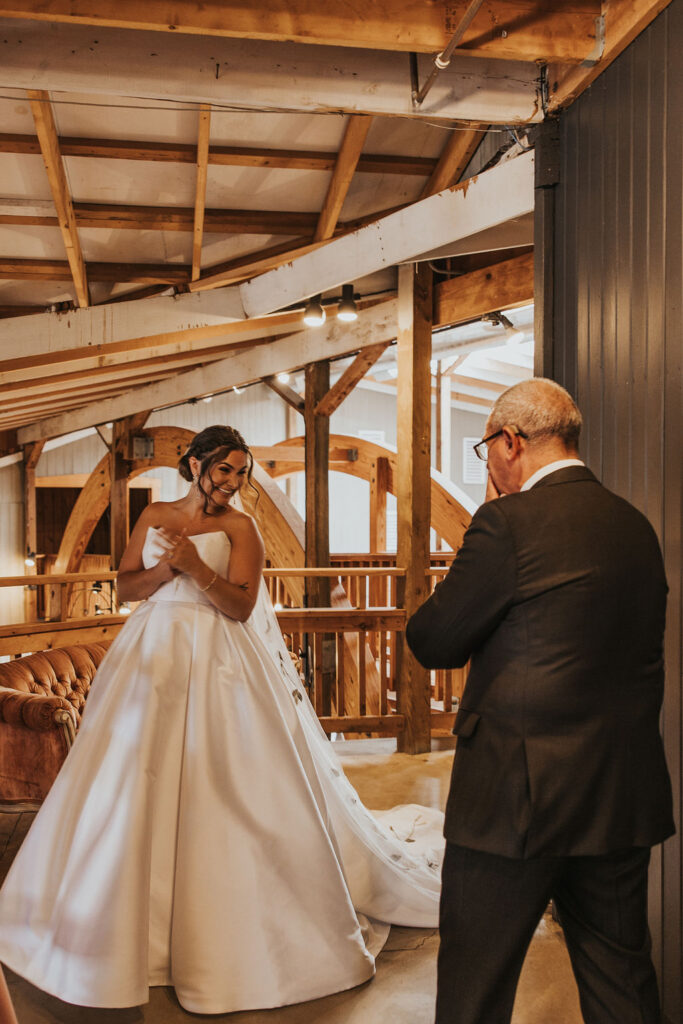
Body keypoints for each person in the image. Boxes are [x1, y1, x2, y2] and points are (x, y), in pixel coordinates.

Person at [0, 424, 443, 1014]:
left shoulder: (242, 528)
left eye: (241, 473)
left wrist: (196, 568)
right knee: (131, 785)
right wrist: (169, 568)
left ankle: (226, 936)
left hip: (219, 662)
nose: (232, 483)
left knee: (221, 784)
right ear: (195, 464)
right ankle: (108, 928)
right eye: (224, 470)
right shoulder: (155, 512)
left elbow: (239, 605)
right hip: (150, 660)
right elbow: (129, 585)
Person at [406, 379, 674, 1024]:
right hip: (616, 794)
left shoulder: (506, 523)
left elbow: (435, 639)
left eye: (485, 449)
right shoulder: (634, 524)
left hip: (513, 800)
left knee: (476, 987)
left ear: (511, 441)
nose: (489, 465)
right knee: (622, 981)